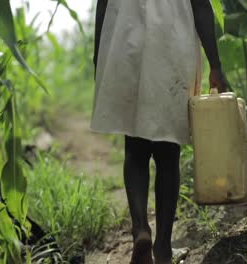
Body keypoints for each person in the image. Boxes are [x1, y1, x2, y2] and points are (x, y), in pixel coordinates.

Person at [92, 1, 227, 263]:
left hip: (126, 38)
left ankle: (140, 228)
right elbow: (200, 5)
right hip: (172, 40)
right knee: (168, 152)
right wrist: (216, 65)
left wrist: (99, 50)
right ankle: (163, 245)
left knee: (135, 145)